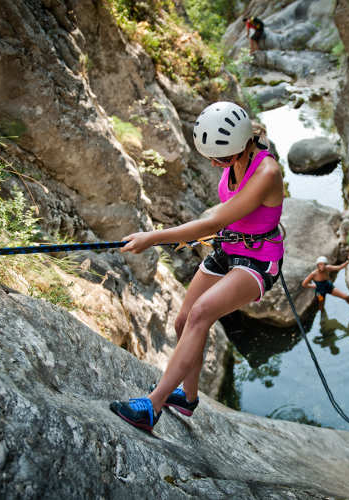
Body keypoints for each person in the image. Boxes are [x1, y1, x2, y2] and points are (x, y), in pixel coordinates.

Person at [110, 101, 285, 432]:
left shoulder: (267, 172)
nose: (214, 164)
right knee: (182, 321)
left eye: (219, 159)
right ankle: (188, 398)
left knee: (202, 313)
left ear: (237, 149)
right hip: (228, 245)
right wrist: (194, 230)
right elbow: (224, 212)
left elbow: (218, 217)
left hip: (259, 259)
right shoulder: (235, 159)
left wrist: (155, 237)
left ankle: (153, 405)